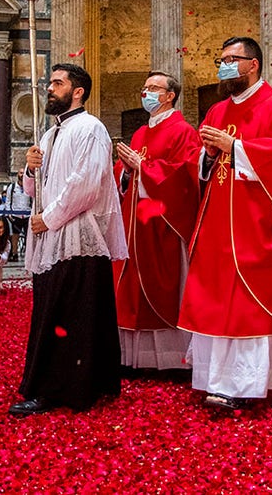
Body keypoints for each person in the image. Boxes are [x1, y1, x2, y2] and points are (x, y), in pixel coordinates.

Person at [179, 37, 272, 409]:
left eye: (231, 59)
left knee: (245, 306)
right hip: (216, 226)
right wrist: (207, 157)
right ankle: (214, 380)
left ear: (253, 64)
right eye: (220, 59)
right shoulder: (217, 111)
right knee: (215, 301)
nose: (224, 66)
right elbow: (200, 162)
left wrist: (236, 147)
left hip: (256, 226)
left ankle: (244, 386)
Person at [10, 63, 126, 416]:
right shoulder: (49, 135)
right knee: (53, 311)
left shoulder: (91, 128)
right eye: (50, 83)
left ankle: (58, 388)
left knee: (68, 316)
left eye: (57, 83)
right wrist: (30, 168)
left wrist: (50, 218)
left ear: (78, 92)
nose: (50, 88)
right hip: (52, 236)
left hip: (77, 237)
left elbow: (86, 185)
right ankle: (77, 382)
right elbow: (36, 189)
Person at [112, 71, 200, 371]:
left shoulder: (183, 131)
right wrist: (125, 170)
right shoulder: (139, 134)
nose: (146, 93)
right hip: (135, 224)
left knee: (161, 286)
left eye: (153, 88)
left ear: (170, 95)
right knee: (130, 288)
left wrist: (144, 167)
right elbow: (125, 177)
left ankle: (169, 358)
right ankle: (133, 359)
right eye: (144, 88)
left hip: (163, 223)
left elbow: (185, 177)